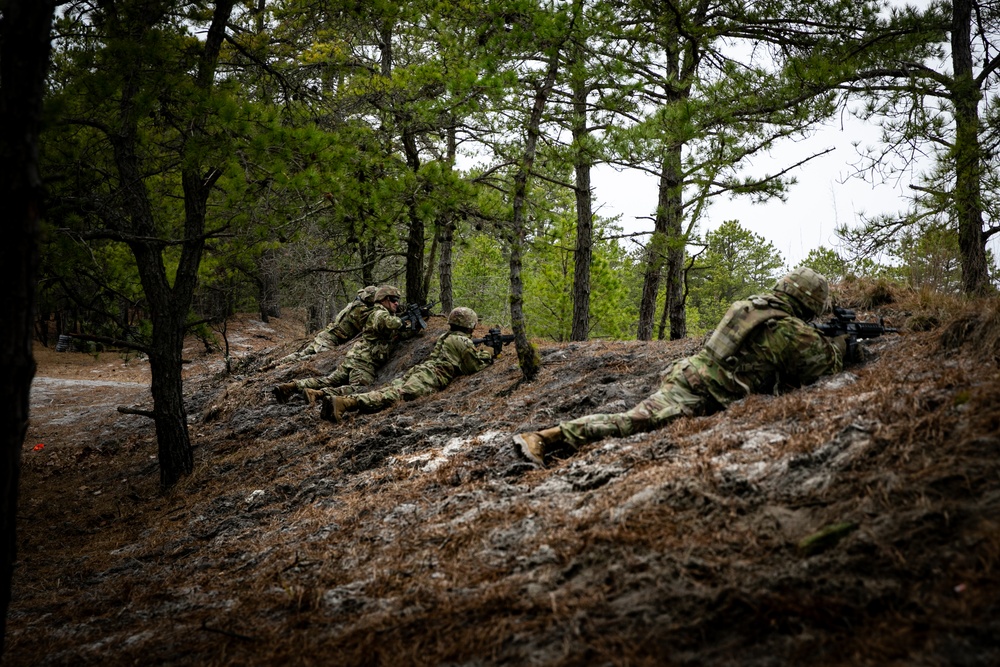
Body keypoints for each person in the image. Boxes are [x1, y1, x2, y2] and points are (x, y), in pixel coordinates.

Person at [513, 267, 858, 466]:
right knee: (634, 423)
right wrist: (843, 343)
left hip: (691, 375)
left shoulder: (752, 306)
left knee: (636, 420)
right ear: (810, 303)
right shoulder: (789, 329)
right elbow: (824, 367)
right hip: (700, 390)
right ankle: (545, 437)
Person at [319, 306, 497, 423]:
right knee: (392, 396)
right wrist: (490, 352)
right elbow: (472, 366)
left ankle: (335, 401)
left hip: (421, 371)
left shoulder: (448, 336)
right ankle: (344, 403)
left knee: (386, 390)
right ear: (470, 324)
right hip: (430, 377)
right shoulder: (461, 341)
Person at [272, 285, 419, 403]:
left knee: (329, 380)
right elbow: (391, 323)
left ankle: (292, 386)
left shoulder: (378, 313)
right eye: (393, 300)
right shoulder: (379, 314)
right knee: (360, 390)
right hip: (364, 363)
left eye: (397, 300)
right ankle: (318, 394)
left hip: (355, 357)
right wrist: (404, 319)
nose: (396, 303)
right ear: (384, 299)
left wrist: (414, 326)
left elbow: (397, 334)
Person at [276, 285, 378, 365]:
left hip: (325, 335)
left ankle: (275, 364)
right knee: (309, 358)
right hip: (329, 340)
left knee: (301, 354)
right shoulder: (359, 310)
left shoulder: (356, 303)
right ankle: (278, 365)